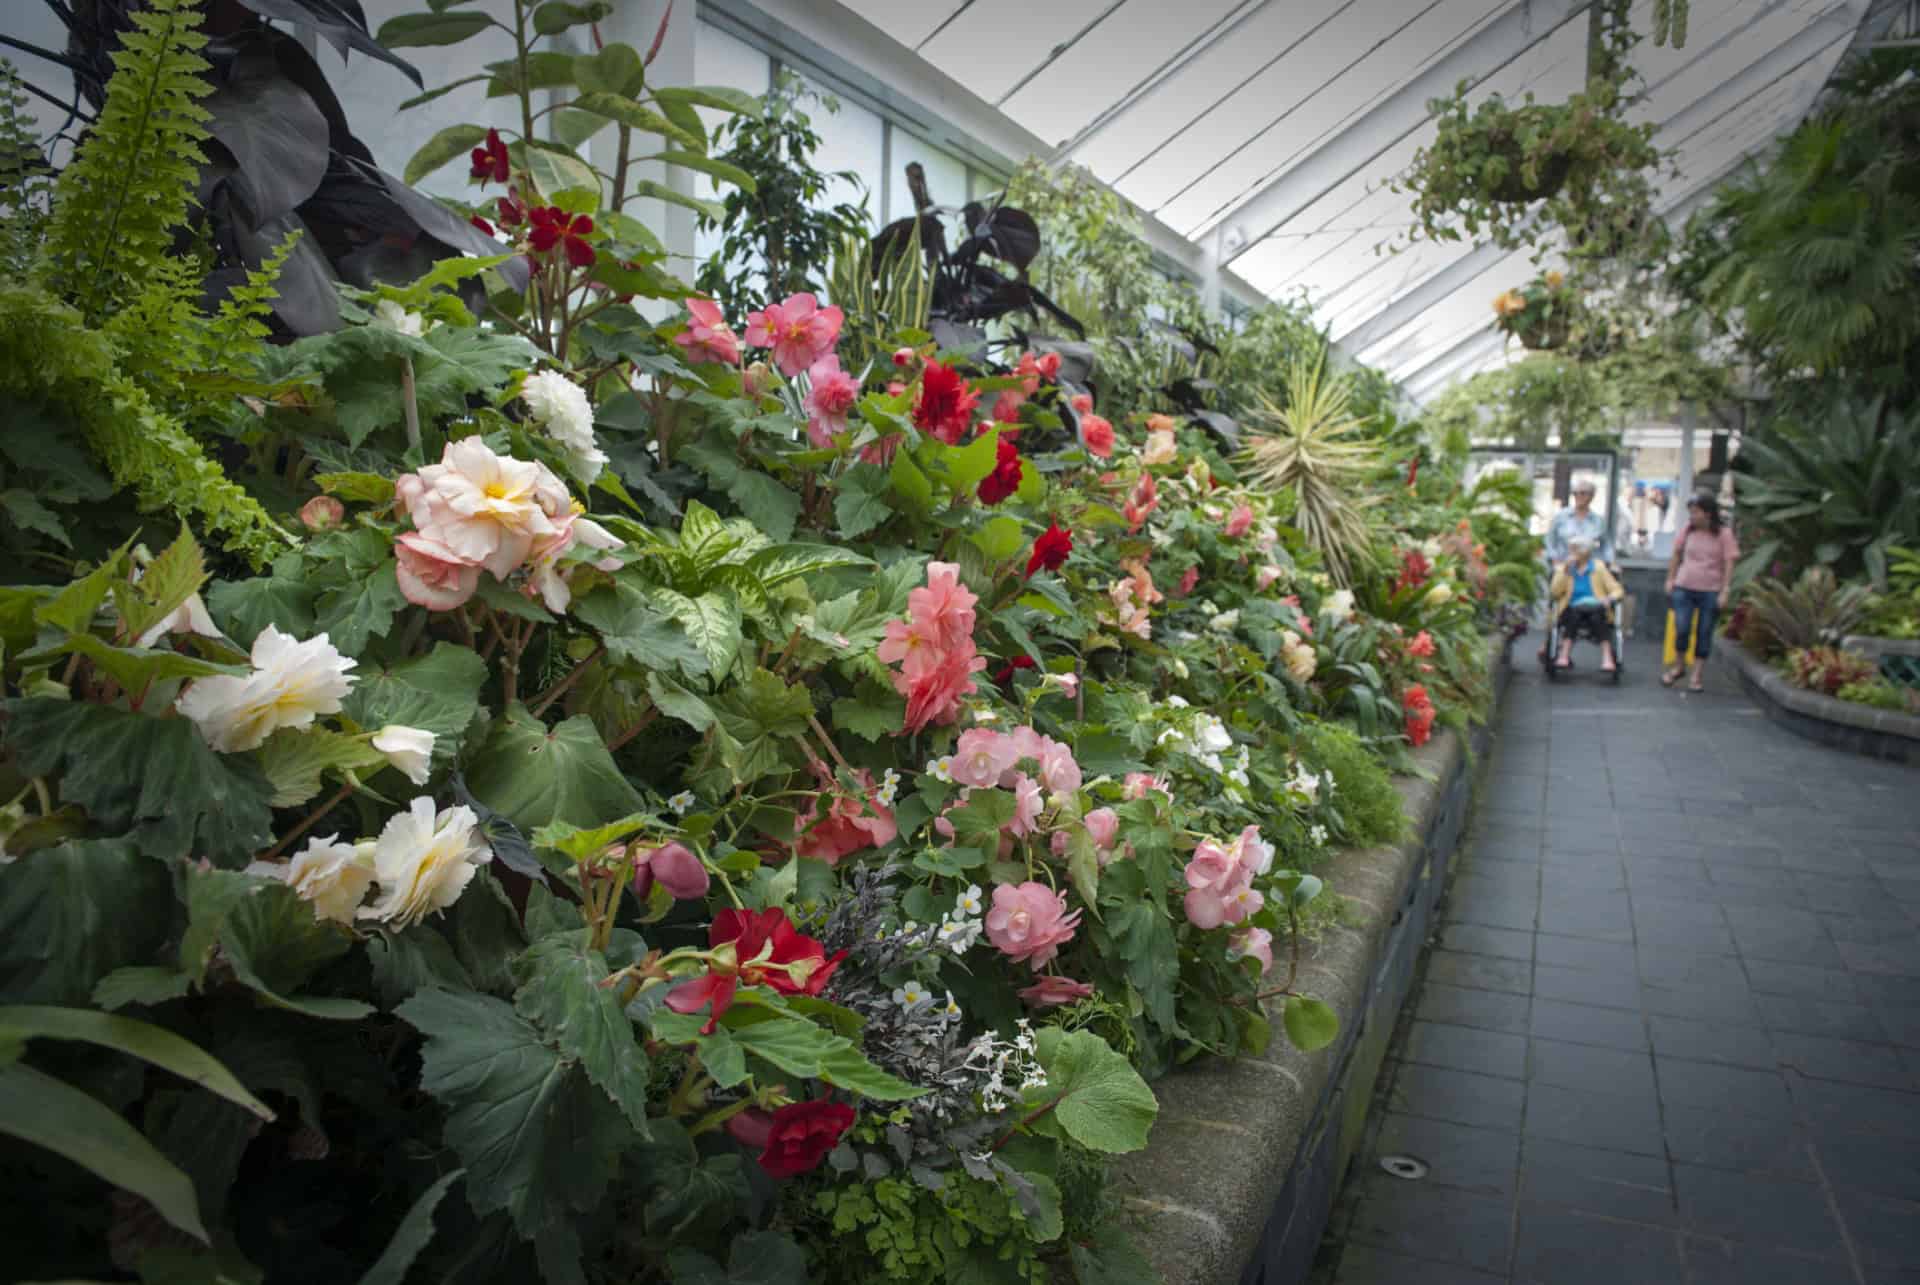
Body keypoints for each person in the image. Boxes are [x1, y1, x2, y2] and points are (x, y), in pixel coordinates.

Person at [1663, 490, 1738, 692]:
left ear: (1707, 513)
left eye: (1696, 512)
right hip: (1684, 585)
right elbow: (1676, 555)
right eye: (1691, 512)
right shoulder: (1688, 530)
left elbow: (1729, 562)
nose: (1692, 516)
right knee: (1682, 627)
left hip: (1710, 589)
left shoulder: (1724, 534)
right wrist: (1670, 578)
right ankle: (1679, 666)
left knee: (1704, 631)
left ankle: (1696, 674)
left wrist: (1725, 590)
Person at [1549, 536, 1624, 672]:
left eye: (1573, 550)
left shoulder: (1598, 568)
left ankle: (1607, 658)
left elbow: (1617, 589)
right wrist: (1565, 570)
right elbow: (1555, 592)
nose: (1570, 553)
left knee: (1597, 616)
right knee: (1574, 614)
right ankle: (1564, 655)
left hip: (1596, 608)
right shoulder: (1564, 568)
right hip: (1571, 608)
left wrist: (1609, 598)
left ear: (1584, 552)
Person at [1544, 478, 1612, 568]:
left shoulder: (1598, 521)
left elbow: (1607, 545)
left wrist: (1607, 562)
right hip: (1564, 568)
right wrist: (1555, 560)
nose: (1578, 496)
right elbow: (1549, 541)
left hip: (1589, 570)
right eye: (1575, 493)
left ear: (1592, 496)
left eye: (1583, 493)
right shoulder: (1561, 517)